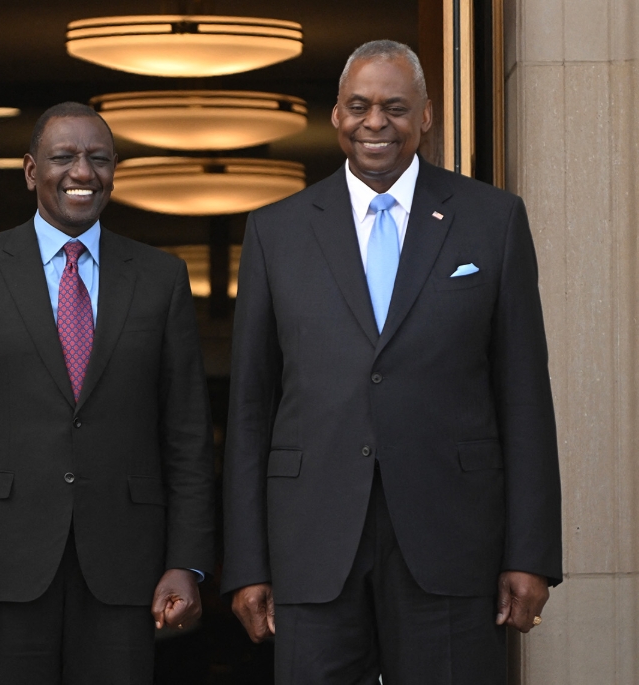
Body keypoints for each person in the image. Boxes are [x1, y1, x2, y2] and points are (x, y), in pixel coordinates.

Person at [222, 40, 562, 683]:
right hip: (312, 542)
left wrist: (531, 552)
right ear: (335, 116)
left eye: (394, 107)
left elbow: (524, 396)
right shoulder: (276, 230)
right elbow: (250, 406)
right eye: (359, 106)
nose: (374, 122)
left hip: (452, 539)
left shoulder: (493, 221)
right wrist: (248, 562)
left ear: (426, 116)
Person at [0, 102, 216, 685]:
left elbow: (187, 438)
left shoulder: (161, 278)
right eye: (64, 158)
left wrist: (187, 563)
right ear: (30, 171)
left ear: (114, 170)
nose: (83, 172)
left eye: (99, 159)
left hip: (127, 571)